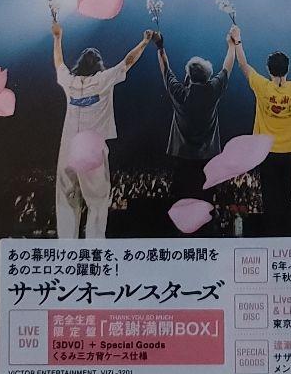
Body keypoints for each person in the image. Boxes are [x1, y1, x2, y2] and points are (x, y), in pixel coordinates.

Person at [51, 20, 154, 239]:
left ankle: (66, 246)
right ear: (99, 64)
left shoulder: (69, 81)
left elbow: (59, 63)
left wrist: (57, 37)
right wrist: (144, 42)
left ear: (80, 64)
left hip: (68, 148)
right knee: (97, 201)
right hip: (90, 149)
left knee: (66, 199)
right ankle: (94, 245)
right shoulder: (103, 79)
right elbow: (128, 61)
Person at [232, 30, 291, 234]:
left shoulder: (262, 87)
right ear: (288, 69)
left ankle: (272, 232)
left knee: (270, 196)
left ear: (268, 69)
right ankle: (287, 233)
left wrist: (237, 40)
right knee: (287, 195)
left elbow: (243, 65)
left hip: (265, 151)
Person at [154, 28, 237, 199]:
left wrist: (160, 46)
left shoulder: (179, 93)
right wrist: (231, 45)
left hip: (182, 157)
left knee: (182, 200)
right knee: (205, 200)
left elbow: (165, 69)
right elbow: (227, 67)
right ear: (208, 76)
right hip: (207, 157)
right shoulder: (212, 90)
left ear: (188, 76)